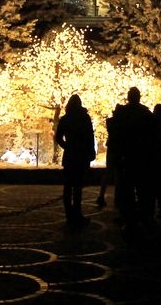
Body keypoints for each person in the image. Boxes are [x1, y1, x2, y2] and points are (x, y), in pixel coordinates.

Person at [107, 86, 154, 232]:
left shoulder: (122, 113)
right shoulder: (145, 114)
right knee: (142, 189)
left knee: (127, 190)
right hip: (141, 157)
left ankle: (128, 218)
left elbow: (115, 134)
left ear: (128, 97)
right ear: (139, 97)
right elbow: (152, 136)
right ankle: (144, 217)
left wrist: (116, 155)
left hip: (127, 157)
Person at [55, 94, 96, 226]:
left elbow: (58, 137)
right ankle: (77, 214)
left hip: (70, 155)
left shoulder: (65, 119)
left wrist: (66, 146)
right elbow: (90, 136)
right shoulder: (84, 118)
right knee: (78, 187)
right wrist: (91, 152)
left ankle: (69, 215)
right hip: (81, 155)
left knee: (68, 187)